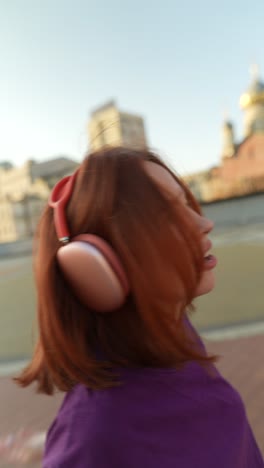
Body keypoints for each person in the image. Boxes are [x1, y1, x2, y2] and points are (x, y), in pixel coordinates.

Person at [16, 147, 263, 467]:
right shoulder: (95, 436)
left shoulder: (169, 335)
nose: (204, 223)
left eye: (187, 204)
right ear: (95, 266)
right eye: (165, 215)